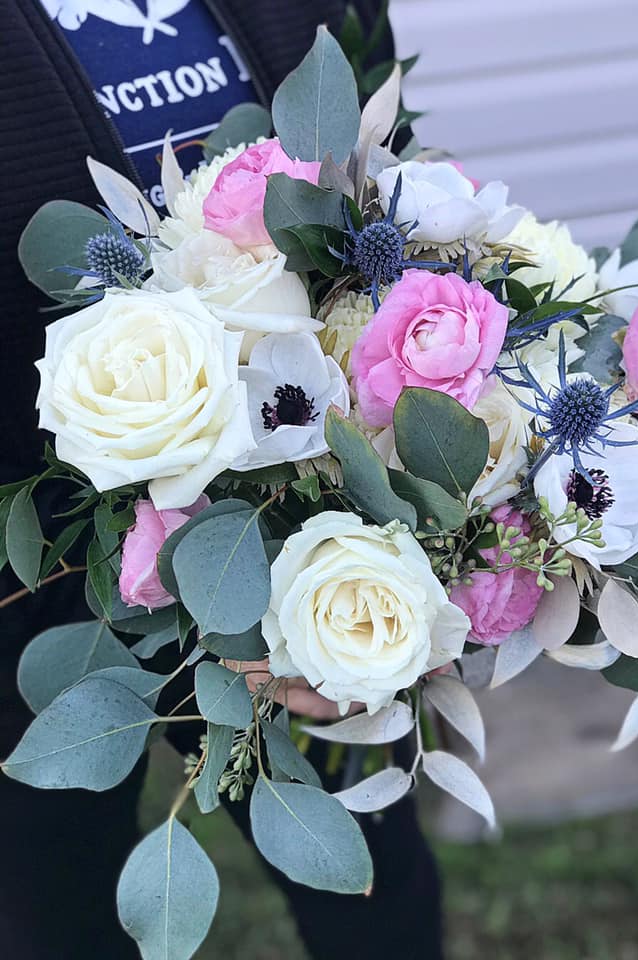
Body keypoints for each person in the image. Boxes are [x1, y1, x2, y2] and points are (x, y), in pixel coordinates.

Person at [0, 2, 443, 957]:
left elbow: (392, 212)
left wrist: (423, 525)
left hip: (305, 562)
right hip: (29, 576)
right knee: (47, 906)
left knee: (374, 888)